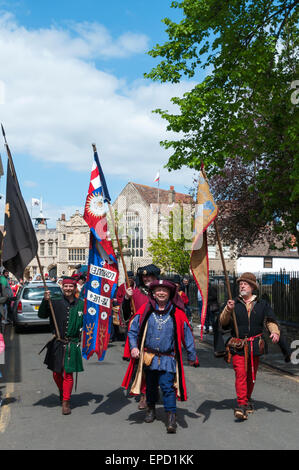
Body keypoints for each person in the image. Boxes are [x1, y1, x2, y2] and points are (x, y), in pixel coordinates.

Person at [122, 280, 199, 434]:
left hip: (168, 359)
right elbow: (132, 330)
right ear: (154, 293)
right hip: (149, 358)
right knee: (150, 386)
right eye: (158, 290)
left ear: (170, 293)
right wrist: (134, 347)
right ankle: (150, 410)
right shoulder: (145, 310)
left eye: (164, 290)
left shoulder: (177, 313)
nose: (161, 293)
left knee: (167, 387)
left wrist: (192, 355)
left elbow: (187, 335)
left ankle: (171, 417)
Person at [219, 272, 280, 421]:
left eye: (245, 283)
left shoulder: (262, 304)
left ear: (252, 286)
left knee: (251, 376)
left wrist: (275, 332)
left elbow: (270, 320)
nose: (242, 285)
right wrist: (228, 309)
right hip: (238, 345)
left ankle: (247, 398)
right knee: (240, 374)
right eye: (240, 283)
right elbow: (222, 322)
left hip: (255, 345)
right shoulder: (233, 302)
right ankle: (241, 405)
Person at [38, 277, 84, 415]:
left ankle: (66, 402)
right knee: (56, 374)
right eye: (66, 286)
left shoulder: (81, 304)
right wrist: (45, 301)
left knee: (68, 373)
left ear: (75, 287)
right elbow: (41, 315)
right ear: (62, 287)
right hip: (57, 342)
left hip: (72, 343)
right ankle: (63, 391)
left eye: (71, 286)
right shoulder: (55, 301)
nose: (68, 288)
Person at [122, 264, 161, 410]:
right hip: (140, 335)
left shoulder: (163, 292)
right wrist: (127, 298)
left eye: (150, 276)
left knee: (158, 365)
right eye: (144, 277)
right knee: (143, 366)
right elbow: (126, 315)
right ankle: (144, 395)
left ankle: (154, 389)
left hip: (159, 333)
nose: (147, 279)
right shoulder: (136, 293)